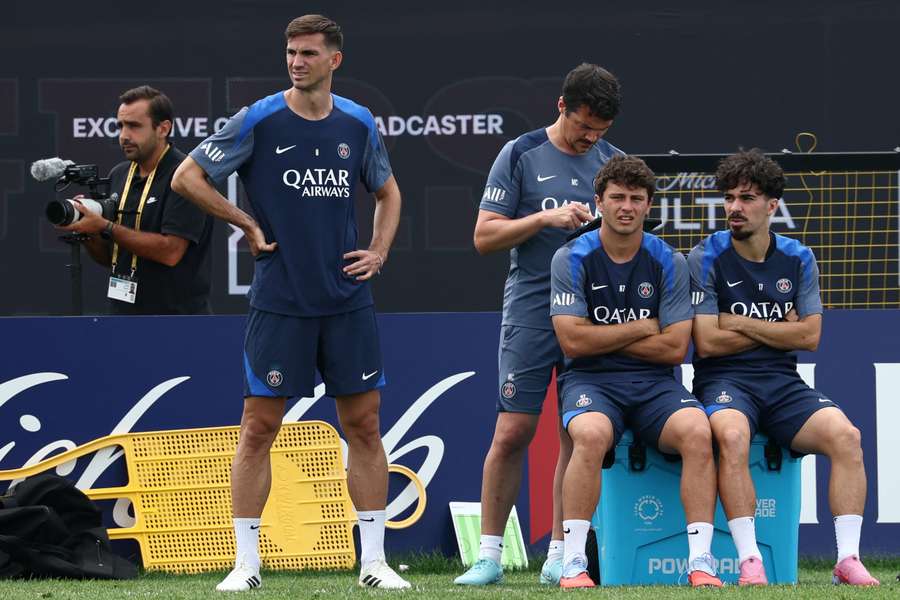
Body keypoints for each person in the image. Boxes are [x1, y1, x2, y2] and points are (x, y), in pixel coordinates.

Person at [170, 15, 408, 591]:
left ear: (335, 60)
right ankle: (246, 564)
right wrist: (246, 222)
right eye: (290, 53)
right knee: (258, 427)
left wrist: (377, 250)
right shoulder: (257, 119)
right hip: (280, 300)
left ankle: (373, 562)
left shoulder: (358, 121)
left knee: (365, 425)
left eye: (308, 53)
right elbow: (186, 177)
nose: (296, 62)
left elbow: (388, 191)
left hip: (347, 301)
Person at [454, 63, 621, 587]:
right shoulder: (520, 153)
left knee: (576, 434)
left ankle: (560, 554)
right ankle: (488, 557)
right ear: (562, 107)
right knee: (513, 431)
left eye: (600, 129)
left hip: (590, 317)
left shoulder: (612, 163)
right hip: (530, 311)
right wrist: (544, 220)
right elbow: (484, 237)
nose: (590, 137)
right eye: (584, 124)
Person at [689, 149, 879, 586]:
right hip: (724, 382)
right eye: (730, 198)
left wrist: (735, 320)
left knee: (847, 436)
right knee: (733, 436)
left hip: (783, 384)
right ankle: (750, 560)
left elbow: (810, 337)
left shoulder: (798, 258)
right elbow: (708, 341)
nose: (735, 207)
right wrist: (777, 325)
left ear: (772, 206)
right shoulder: (704, 257)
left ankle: (847, 560)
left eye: (747, 198)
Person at [550, 155, 722, 588]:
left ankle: (701, 562)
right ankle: (573, 564)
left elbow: (674, 347)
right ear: (599, 203)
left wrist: (603, 332)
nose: (626, 206)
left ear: (649, 206)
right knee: (587, 435)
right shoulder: (570, 257)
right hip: (590, 380)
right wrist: (643, 326)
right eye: (617, 197)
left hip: (654, 386)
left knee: (699, 432)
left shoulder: (669, 261)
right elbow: (572, 342)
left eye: (636, 199)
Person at [61, 85, 213, 314]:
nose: (124, 135)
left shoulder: (187, 176)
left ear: (163, 128)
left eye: (133, 126)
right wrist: (89, 231)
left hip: (177, 322)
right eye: (120, 126)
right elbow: (111, 256)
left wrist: (106, 226)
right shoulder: (119, 174)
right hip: (122, 315)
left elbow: (170, 253)